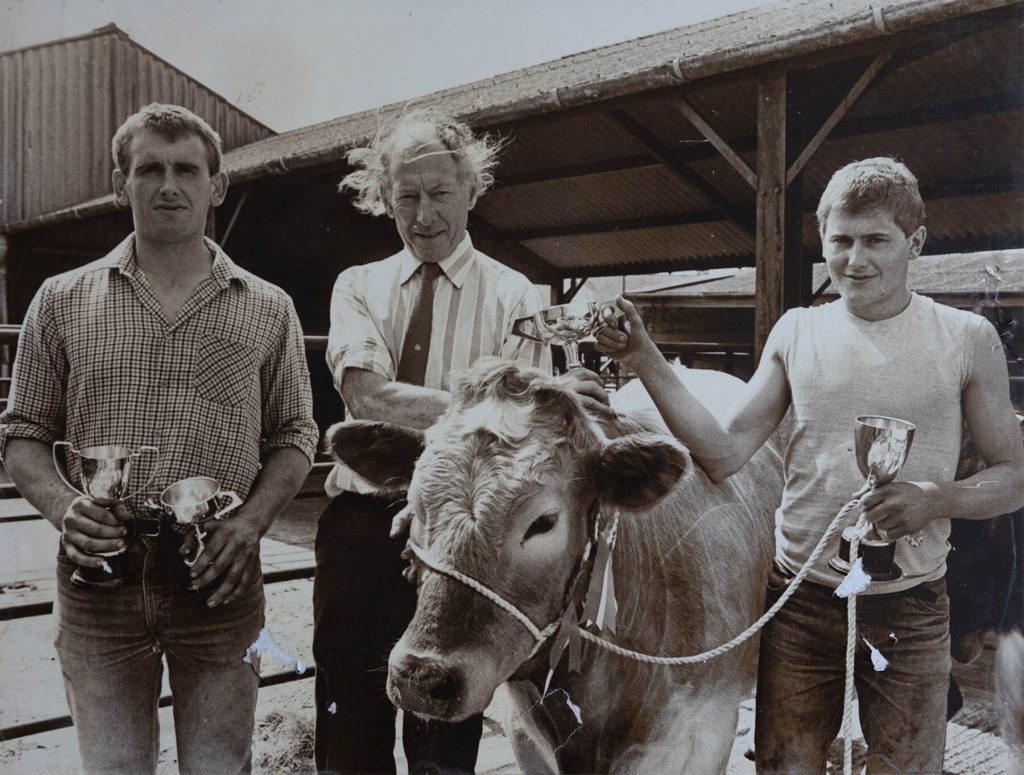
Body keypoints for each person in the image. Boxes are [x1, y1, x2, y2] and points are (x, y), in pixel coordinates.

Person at [596, 157, 1024, 774]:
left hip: (910, 603)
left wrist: (937, 498)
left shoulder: (965, 338)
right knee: (783, 770)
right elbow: (722, 451)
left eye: (876, 240)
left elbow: (1013, 478)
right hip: (801, 603)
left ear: (916, 243)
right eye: (840, 241)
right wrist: (643, 355)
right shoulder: (796, 332)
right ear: (822, 240)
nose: (855, 260)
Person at [0, 103, 319, 774]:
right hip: (99, 579)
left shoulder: (269, 307)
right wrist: (67, 510)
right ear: (122, 183)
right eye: (149, 169)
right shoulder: (60, 299)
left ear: (217, 185)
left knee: (218, 766)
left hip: (219, 575)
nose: (168, 185)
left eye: (186, 169)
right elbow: (22, 434)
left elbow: (295, 434)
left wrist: (251, 525)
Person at [313, 107, 607, 775]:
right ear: (384, 197)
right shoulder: (356, 285)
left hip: (467, 536)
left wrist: (500, 418)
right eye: (406, 196)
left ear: (472, 190)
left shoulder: (516, 295)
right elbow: (367, 395)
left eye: (440, 193)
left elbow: (520, 439)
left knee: (447, 719)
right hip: (362, 523)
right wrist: (487, 408)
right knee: (350, 713)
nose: (423, 214)